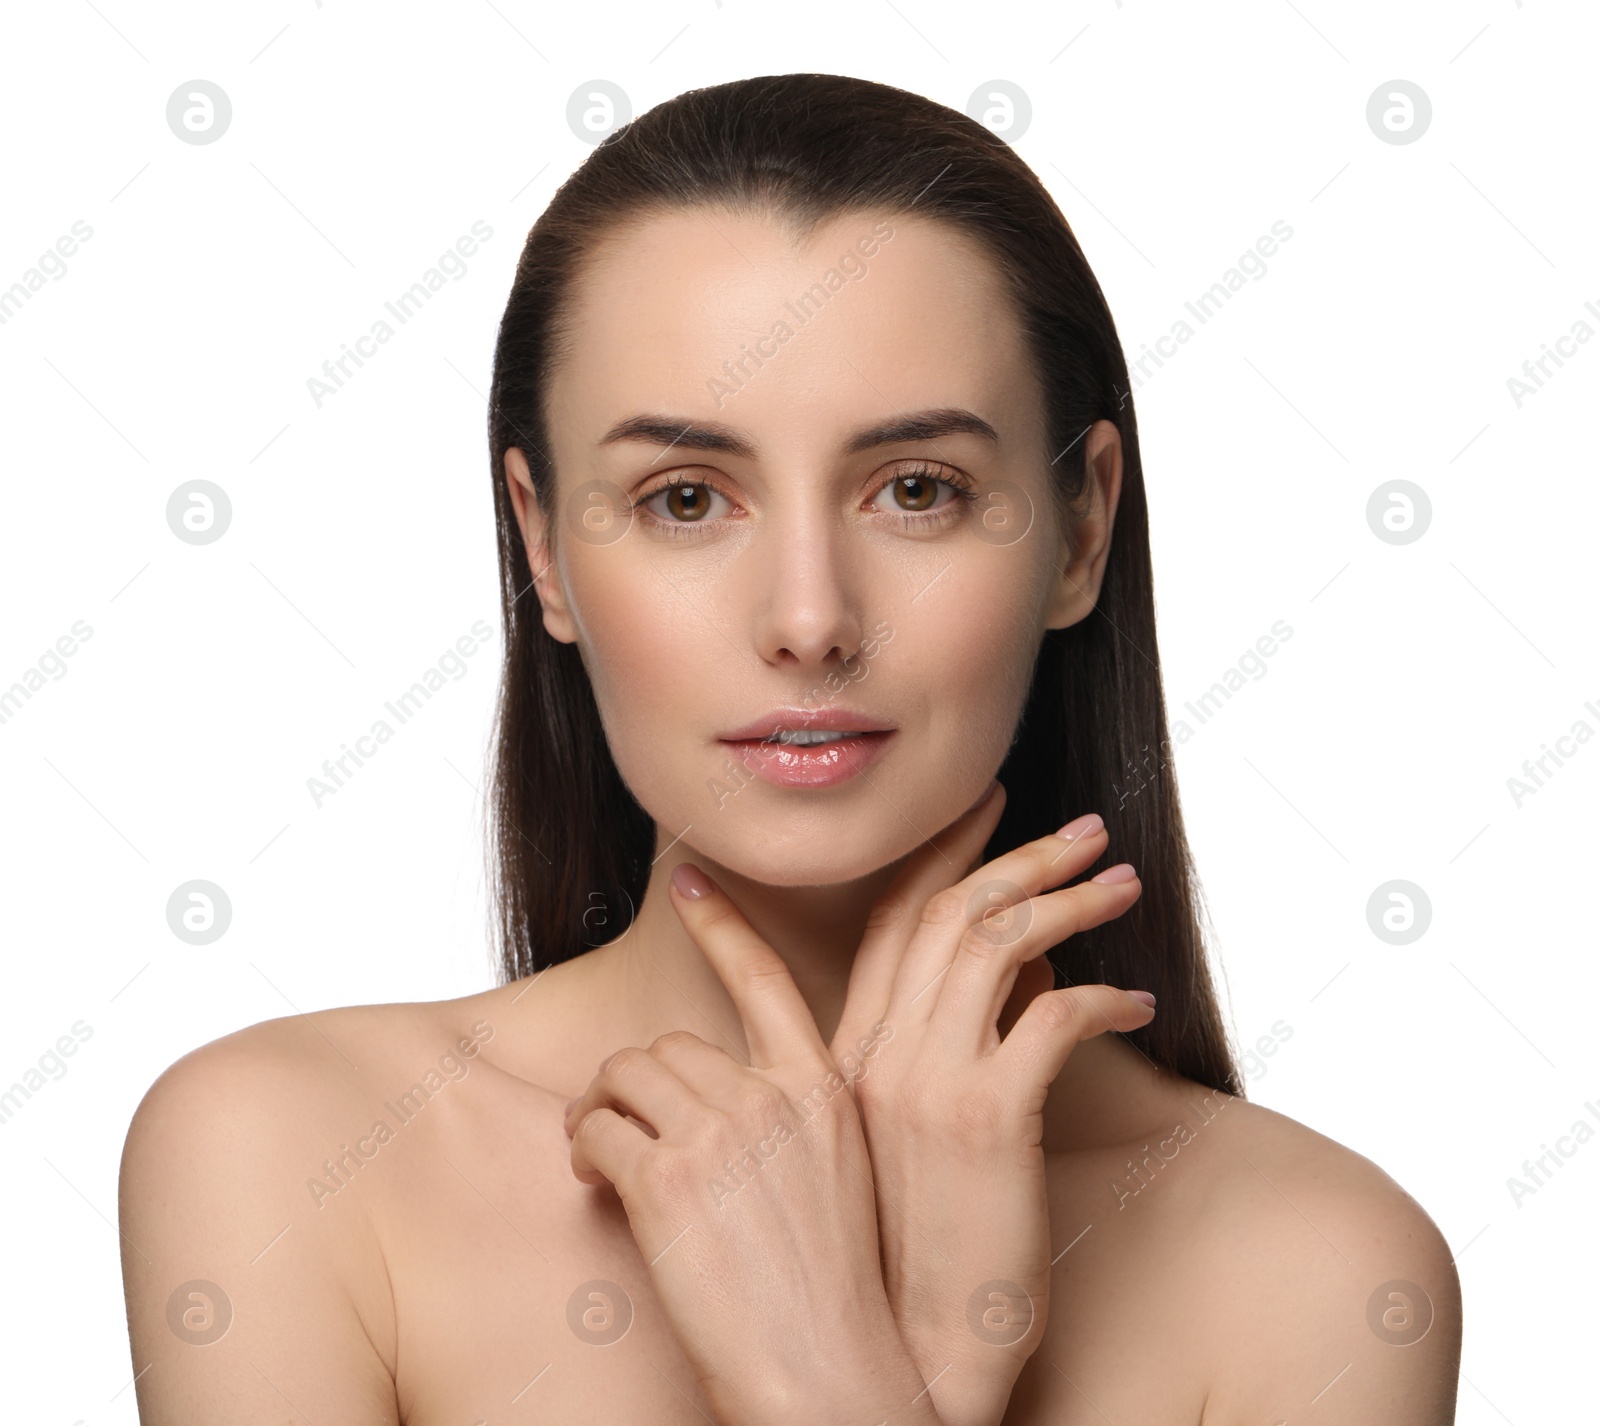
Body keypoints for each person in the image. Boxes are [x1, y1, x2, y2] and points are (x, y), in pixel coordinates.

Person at [118, 73, 1461, 1424]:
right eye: (687, 498)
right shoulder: (285, 1162)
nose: (809, 619)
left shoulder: (1321, 1271)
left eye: (918, 490)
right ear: (544, 546)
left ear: (1083, 528)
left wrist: (840, 1375)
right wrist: (922, 1360)